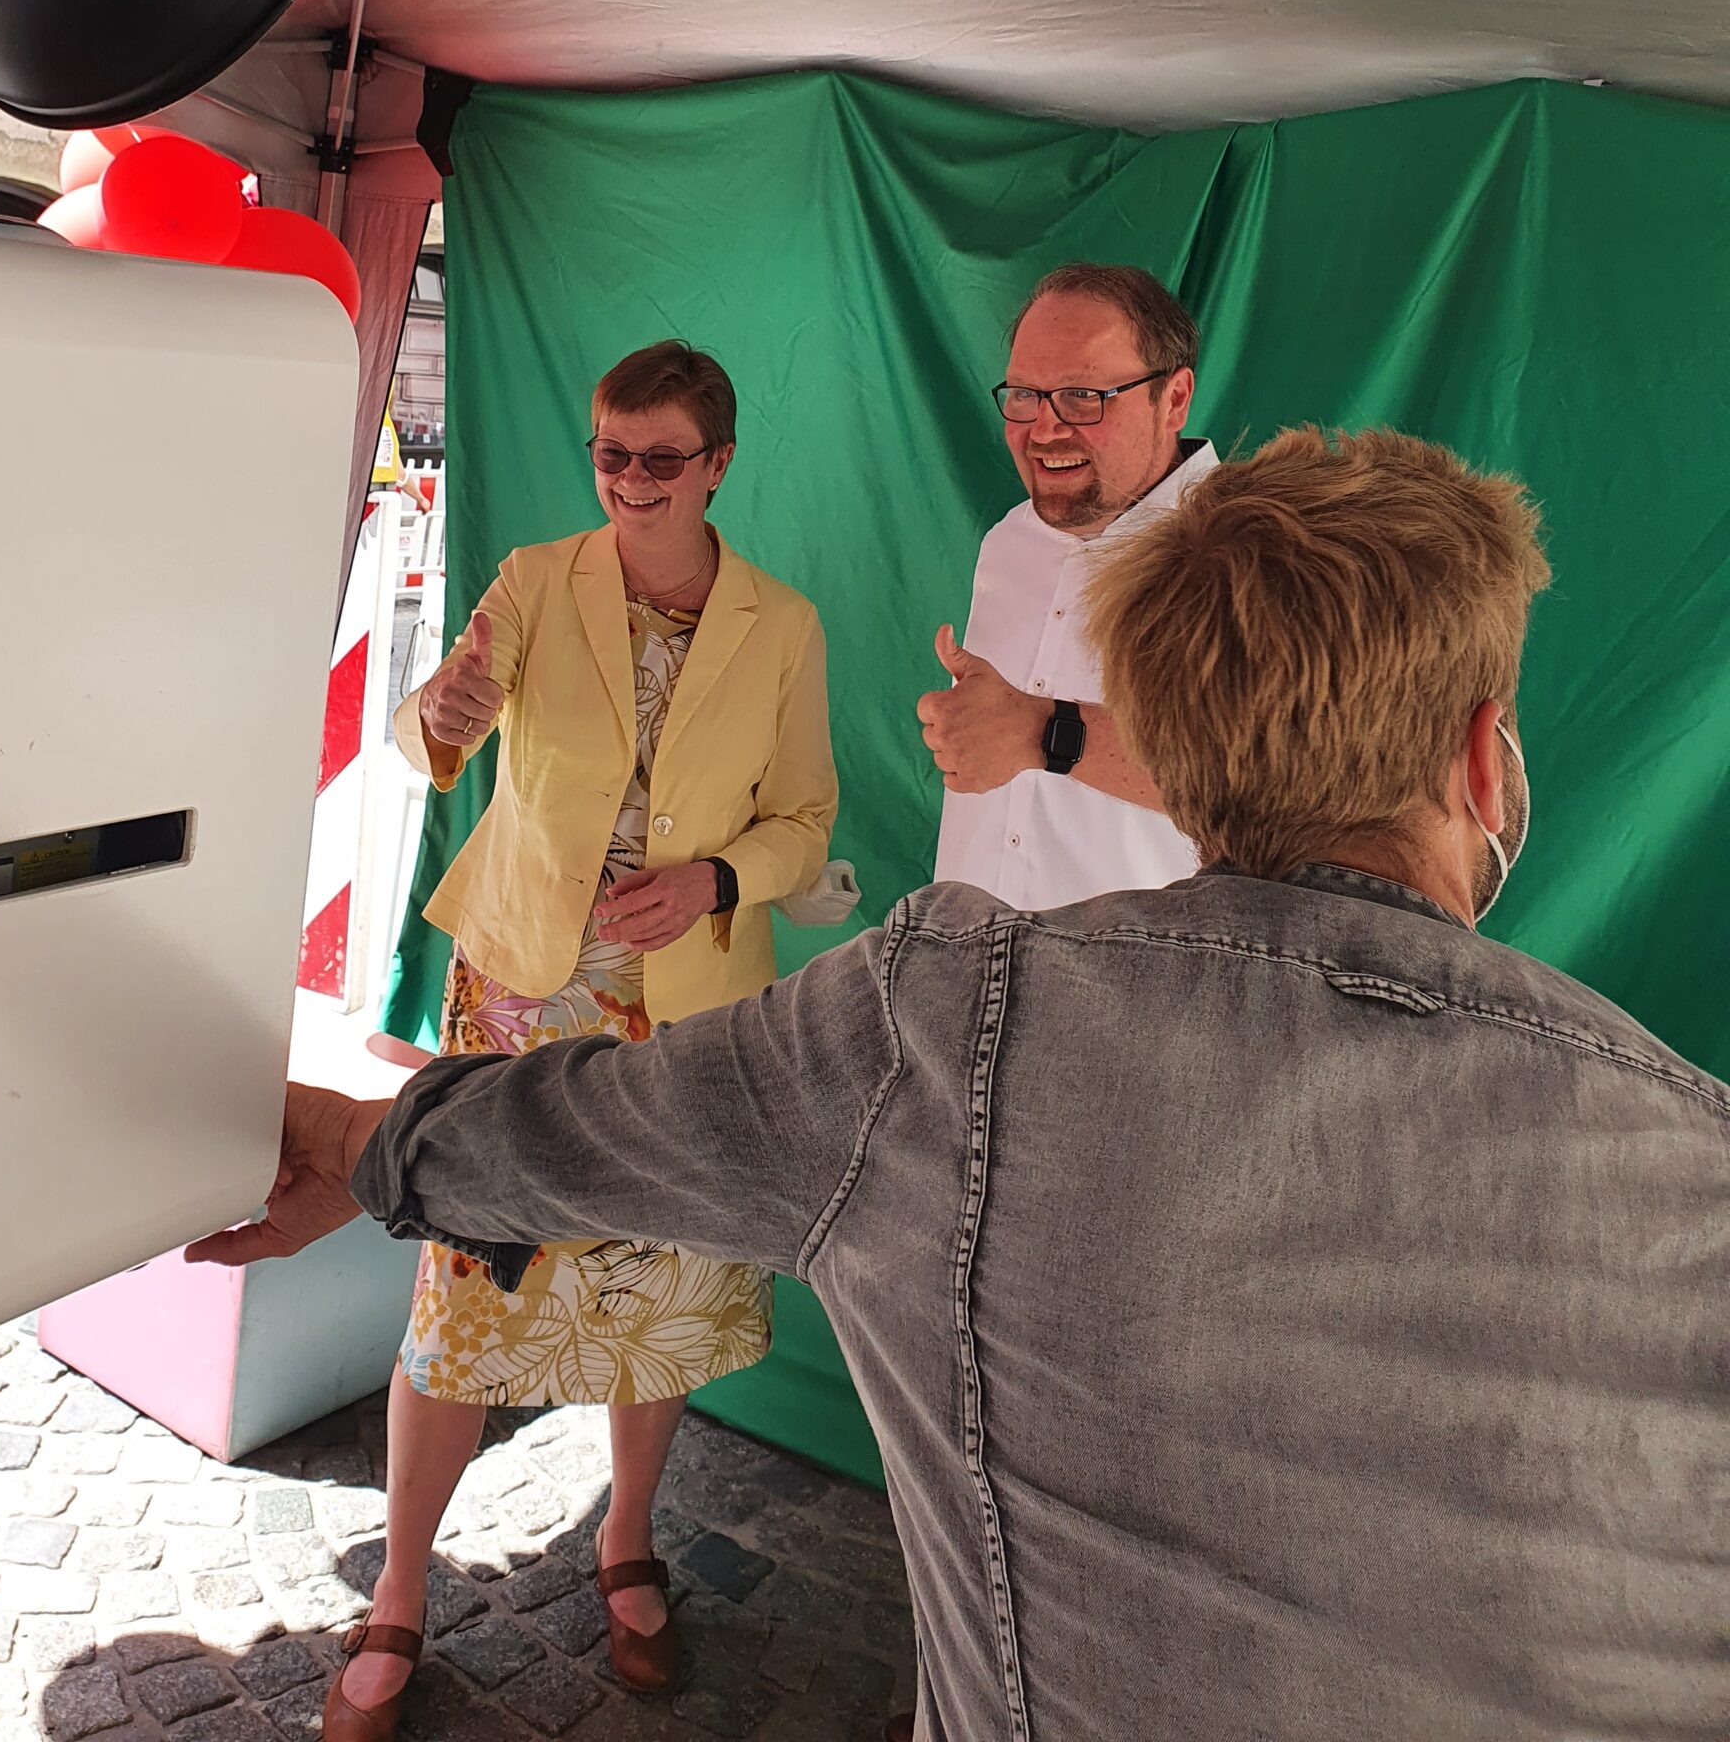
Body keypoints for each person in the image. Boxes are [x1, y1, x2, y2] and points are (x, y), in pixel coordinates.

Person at [197, 425, 1730, 1742]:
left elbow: (578, 1134)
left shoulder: (950, 1016)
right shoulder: (1695, 1163)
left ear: (1170, 753)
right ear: (1484, 757)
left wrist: (349, 1139)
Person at [314, 339, 835, 1738]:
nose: (630, 481)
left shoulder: (781, 626)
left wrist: (715, 882)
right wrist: (449, 710)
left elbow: (806, 823)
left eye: (661, 458)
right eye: (611, 454)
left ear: (719, 464)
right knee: (466, 1298)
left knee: (660, 1296)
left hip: (689, 1019)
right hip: (523, 996)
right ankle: (401, 1594)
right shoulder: (541, 580)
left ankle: (626, 1543)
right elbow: (430, 745)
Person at [917, 263, 1216, 907]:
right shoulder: (1008, 542)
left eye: (1084, 395)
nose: (1045, 429)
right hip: (966, 973)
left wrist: (1044, 733)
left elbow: (1274, 789)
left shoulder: (1250, 555)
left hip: (1142, 993)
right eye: (1024, 394)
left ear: (1175, 398)